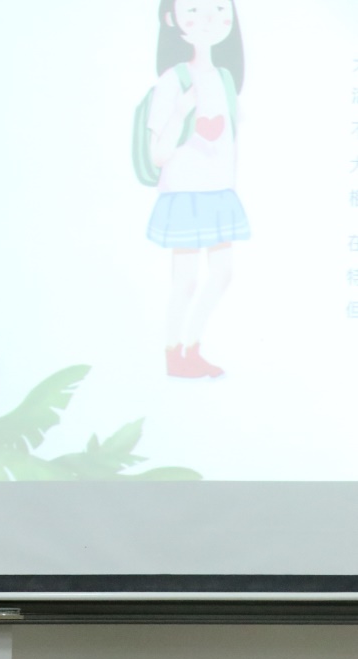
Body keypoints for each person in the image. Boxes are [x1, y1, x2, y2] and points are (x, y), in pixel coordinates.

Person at [145, 0, 248, 378]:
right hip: (185, 196)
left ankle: (193, 348)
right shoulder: (172, 80)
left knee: (222, 274)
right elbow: (157, 155)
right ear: (170, 17)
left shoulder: (225, 79)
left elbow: (230, 141)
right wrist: (181, 111)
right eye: (192, 9)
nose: (208, 17)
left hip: (219, 195)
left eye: (219, 7)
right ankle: (174, 355)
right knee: (186, 280)